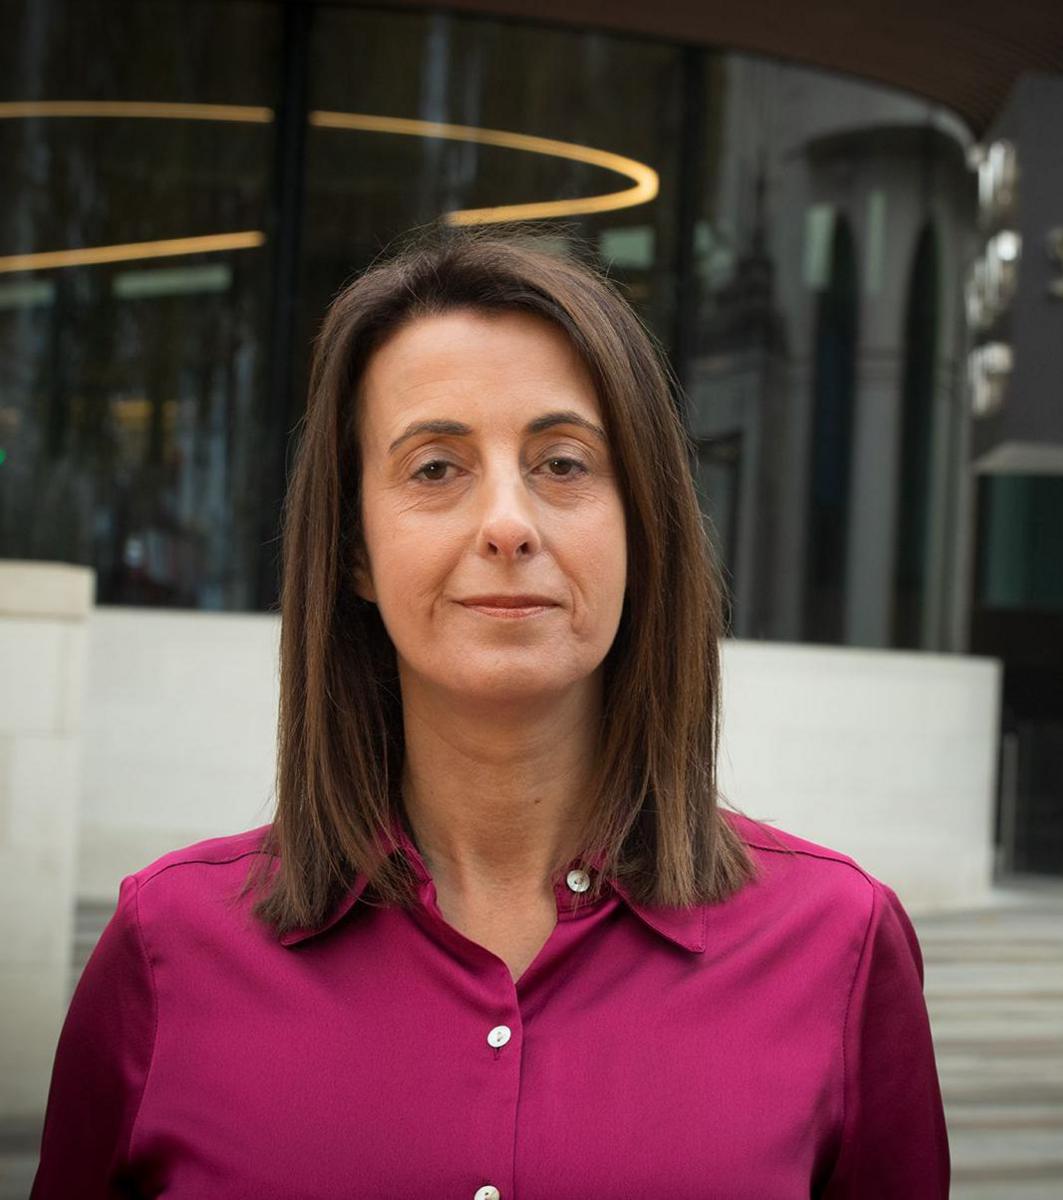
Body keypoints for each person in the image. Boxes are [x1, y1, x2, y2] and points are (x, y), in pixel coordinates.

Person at [31, 228, 950, 1198]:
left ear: (641, 523)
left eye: (562, 464)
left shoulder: (838, 946)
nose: (508, 524)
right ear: (353, 549)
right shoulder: (166, 952)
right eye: (436, 468)